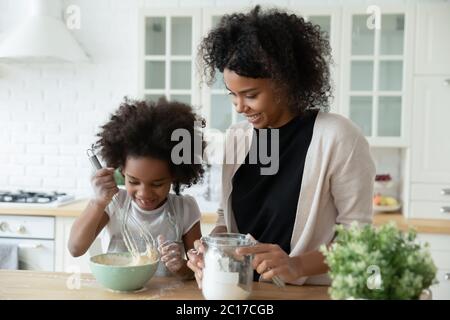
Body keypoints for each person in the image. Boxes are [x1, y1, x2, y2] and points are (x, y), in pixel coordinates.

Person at [187, 6, 376, 287]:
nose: (240, 107)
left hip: (310, 293)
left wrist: (296, 265)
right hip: (242, 293)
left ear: (286, 83)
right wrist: (212, 250)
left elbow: (357, 237)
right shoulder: (237, 139)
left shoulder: (338, 137)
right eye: (232, 95)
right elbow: (228, 219)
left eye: (251, 95)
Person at [68, 98, 205, 279]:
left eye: (157, 184)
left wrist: (180, 267)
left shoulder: (184, 209)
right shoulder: (114, 202)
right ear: (122, 170)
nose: (144, 193)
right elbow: (76, 249)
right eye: (133, 181)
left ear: (175, 175)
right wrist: (98, 201)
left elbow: (197, 270)